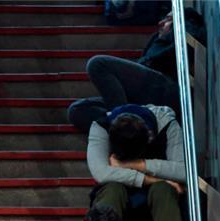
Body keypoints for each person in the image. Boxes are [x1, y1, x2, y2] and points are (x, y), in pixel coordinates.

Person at [88, 104, 190, 221]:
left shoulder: (166, 124)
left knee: (163, 190)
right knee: (112, 189)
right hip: (120, 190)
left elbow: (184, 171)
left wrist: (134, 164)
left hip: (157, 196)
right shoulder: (101, 126)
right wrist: (151, 179)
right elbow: (101, 173)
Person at [68, 8, 206, 132]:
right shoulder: (158, 39)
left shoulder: (183, 30)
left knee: (98, 64)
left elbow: (192, 40)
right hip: (140, 99)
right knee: (77, 110)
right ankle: (133, 128)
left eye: (169, 19)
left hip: (164, 88)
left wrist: (175, 29)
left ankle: (124, 126)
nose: (161, 22)